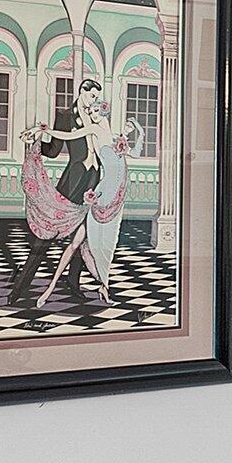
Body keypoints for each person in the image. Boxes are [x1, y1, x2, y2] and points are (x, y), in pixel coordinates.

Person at [20, 79, 134, 306]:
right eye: (92, 97)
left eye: (97, 101)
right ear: (82, 92)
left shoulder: (105, 127)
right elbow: (54, 149)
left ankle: (74, 282)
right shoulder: (67, 117)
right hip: (74, 179)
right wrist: (37, 136)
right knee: (51, 230)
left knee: (88, 237)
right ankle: (23, 283)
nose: (95, 104)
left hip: (96, 182)